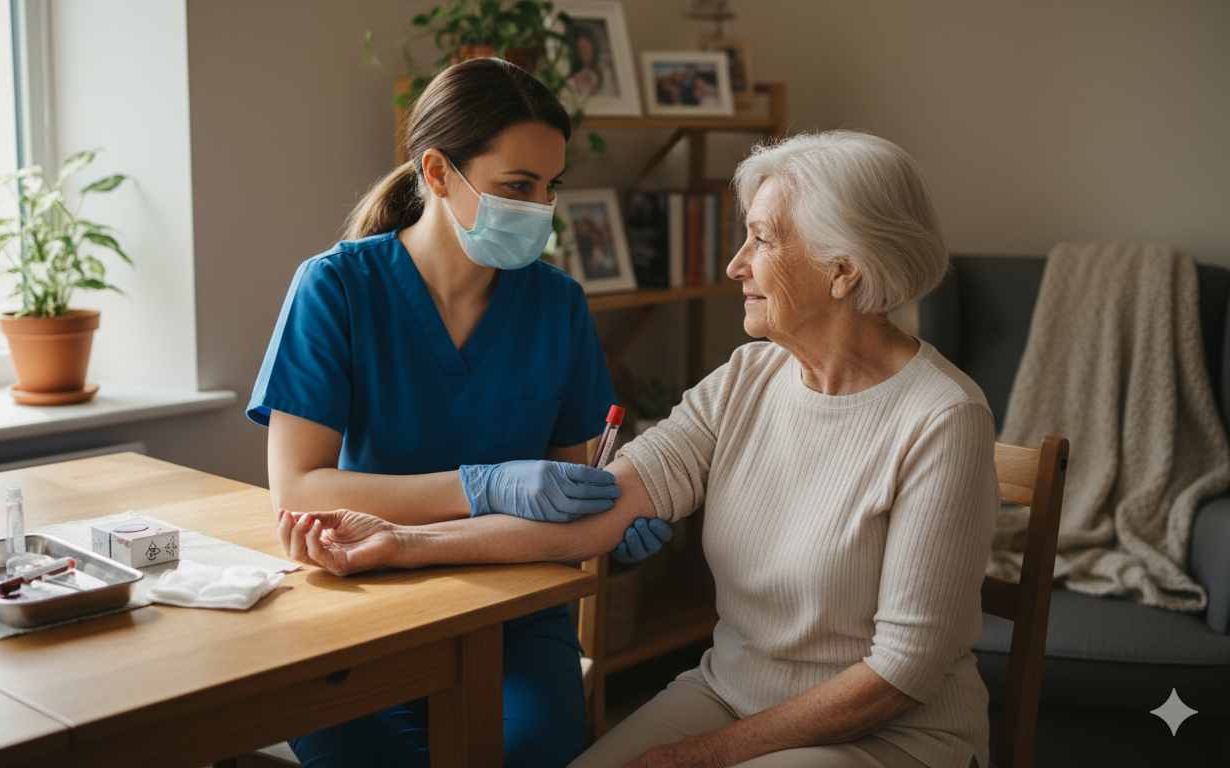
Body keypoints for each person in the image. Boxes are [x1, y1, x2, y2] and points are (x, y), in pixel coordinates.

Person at [283, 130, 1000, 768]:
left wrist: (702, 755)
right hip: (731, 693)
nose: (734, 265)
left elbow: (902, 675)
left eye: (761, 239)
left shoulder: (942, 418)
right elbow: (601, 511)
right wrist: (403, 542)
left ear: (843, 271)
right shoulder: (749, 378)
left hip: (883, 734)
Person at [248, 57, 671, 768]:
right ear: (438, 171)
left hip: (513, 613)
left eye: (549, 187)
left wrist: (622, 509)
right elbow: (298, 489)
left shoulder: (556, 305)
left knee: (532, 753)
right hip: (358, 603)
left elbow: (577, 482)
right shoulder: (335, 291)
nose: (540, 209)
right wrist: (483, 485)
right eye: (517, 186)